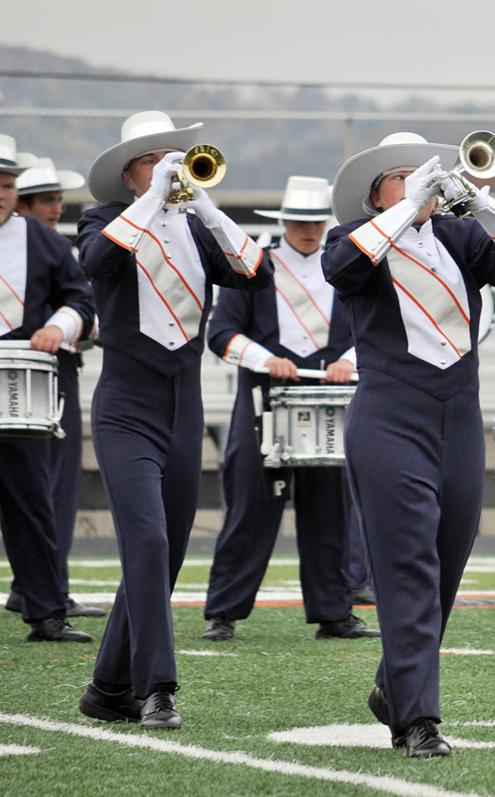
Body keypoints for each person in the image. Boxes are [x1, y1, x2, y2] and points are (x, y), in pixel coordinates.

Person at [322, 132, 495, 756]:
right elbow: (340, 272)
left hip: (459, 419)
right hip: (390, 417)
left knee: (448, 558)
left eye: (425, 174)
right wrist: (401, 210)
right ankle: (416, 720)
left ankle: (395, 685)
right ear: (375, 193)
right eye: (402, 176)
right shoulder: (353, 240)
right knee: (408, 564)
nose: (420, 182)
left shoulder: (457, 237)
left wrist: (475, 200)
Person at [75, 111, 272, 730]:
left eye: (174, 158)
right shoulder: (105, 219)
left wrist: (208, 206)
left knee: (168, 551)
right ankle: (156, 686)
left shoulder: (195, 227)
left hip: (185, 405)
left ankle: (107, 688)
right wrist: (156, 196)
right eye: (152, 160)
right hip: (127, 406)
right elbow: (97, 263)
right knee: (148, 540)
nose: (168, 167)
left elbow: (254, 273)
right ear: (129, 171)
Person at [201, 176, 378, 642]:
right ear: (283, 222)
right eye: (300, 221)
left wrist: (348, 361)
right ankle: (224, 611)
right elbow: (220, 333)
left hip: (328, 404)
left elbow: (374, 329)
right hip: (263, 405)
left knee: (330, 512)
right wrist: (266, 359)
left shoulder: (344, 268)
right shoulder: (254, 267)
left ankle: (333, 612)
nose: (309, 230)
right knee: (250, 509)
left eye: (317, 222)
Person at [0, 135, 95, 644]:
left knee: (31, 498)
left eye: (8, 184)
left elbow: (79, 299)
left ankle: (45, 611)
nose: (1, 192)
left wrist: (58, 326)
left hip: (21, 388)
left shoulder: (46, 242)